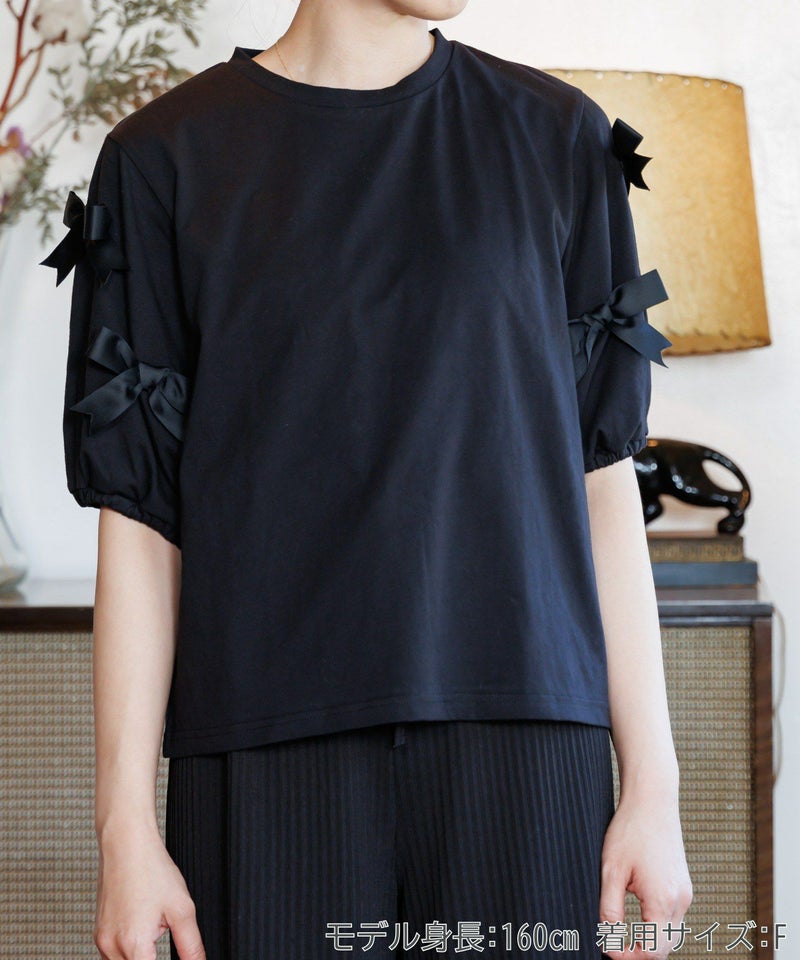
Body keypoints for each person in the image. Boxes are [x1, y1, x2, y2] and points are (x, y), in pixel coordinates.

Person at [42, 1, 693, 958]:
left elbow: (602, 484)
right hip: (264, 752)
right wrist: (124, 828)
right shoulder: (162, 158)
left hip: (524, 745)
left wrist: (654, 790)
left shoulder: (557, 137)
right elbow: (141, 523)